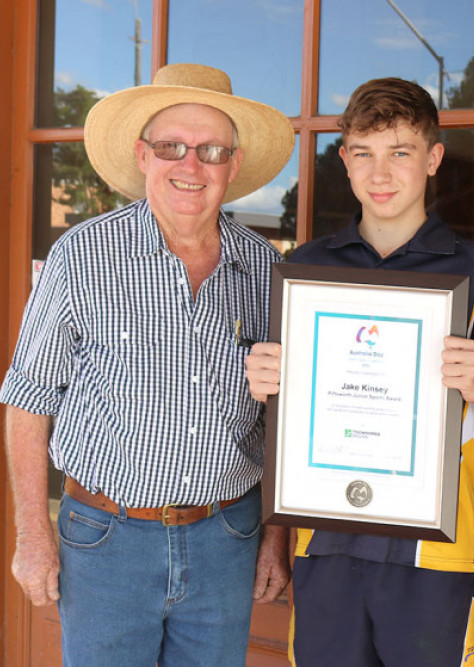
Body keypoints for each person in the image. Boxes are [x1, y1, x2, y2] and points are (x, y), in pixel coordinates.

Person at [0, 63, 295, 665]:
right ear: (142, 156)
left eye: (211, 150)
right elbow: (28, 399)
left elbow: (285, 418)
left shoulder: (267, 271)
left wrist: (277, 534)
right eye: (172, 147)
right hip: (106, 539)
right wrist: (31, 534)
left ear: (233, 166)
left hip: (226, 538)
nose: (191, 166)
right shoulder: (81, 256)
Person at [244, 77, 474, 667]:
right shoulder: (305, 266)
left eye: (401, 152)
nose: (381, 173)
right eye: (363, 153)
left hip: (438, 550)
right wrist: (266, 385)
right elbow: (284, 415)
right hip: (326, 540)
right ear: (344, 161)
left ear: (434, 159)